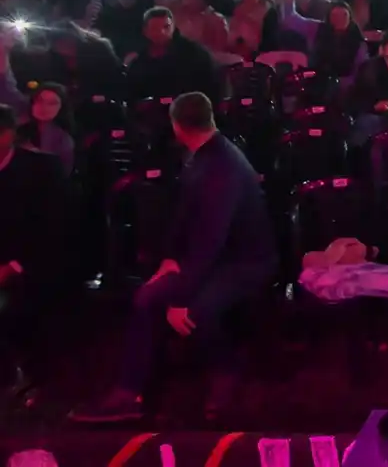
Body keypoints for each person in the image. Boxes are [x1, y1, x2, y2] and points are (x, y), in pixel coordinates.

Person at [70, 93, 277, 422]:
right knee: (146, 297)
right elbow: (185, 219)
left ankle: (227, 371)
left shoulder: (221, 166)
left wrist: (183, 294)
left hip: (244, 262)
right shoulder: (201, 156)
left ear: (177, 126)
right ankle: (129, 392)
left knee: (196, 311)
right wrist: (170, 259)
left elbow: (213, 238)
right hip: (214, 256)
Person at [0, 104, 67, 396]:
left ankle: (20, 373)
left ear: (8, 135)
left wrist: (12, 266)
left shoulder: (42, 170)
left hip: (31, 264)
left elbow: (52, 232)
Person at [125, 7, 220, 102]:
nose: (162, 32)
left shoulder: (193, 53)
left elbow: (205, 88)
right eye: (155, 28)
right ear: (146, 31)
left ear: (173, 27)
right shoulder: (139, 61)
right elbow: (133, 95)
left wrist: (164, 102)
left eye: (166, 27)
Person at [18, 82, 74, 175]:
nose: (44, 107)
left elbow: (63, 173)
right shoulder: (18, 127)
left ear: (61, 108)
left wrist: (36, 154)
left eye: (52, 103)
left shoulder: (63, 139)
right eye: (40, 100)